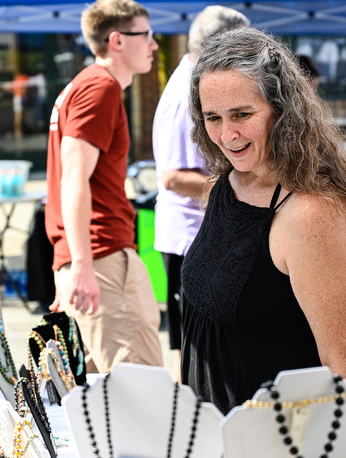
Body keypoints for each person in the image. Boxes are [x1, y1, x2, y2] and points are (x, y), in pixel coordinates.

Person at [181, 27, 346, 416]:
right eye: (212, 118)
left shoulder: (310, 214)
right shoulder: (228, 184)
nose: (226, 134)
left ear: (283, 110)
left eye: (242, 114)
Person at [45, 0, 163, 373]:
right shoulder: (100, 87)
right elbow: (74, 176)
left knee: (103, 398)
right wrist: (81, 265)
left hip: (94, 255)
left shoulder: (89, 86)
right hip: (102, 257)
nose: (154, 45)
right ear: (117, 40)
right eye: (146, 34)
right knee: (141, 390)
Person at [151, 5, 249, 381]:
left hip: (199, 233)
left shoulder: (199, 82)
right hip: (189, 238)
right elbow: (174, 176)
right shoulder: (185, 94)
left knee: (203, 351)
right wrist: (239, 191)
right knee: (192, 354)